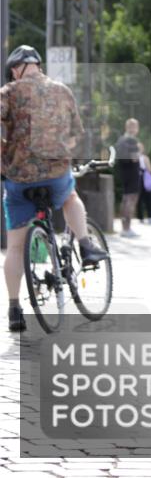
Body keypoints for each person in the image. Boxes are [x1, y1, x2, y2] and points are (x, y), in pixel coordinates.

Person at [1, 45, 108, 331]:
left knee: (14, 247)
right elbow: (77, 133)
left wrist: (4, 154)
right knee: (71, 197)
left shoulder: (9, 92)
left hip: (18, 179)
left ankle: (14, 309)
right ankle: (86, 246)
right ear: (38, 64)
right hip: (55, 173)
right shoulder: (62, 90)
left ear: (16, 69)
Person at [114, 118, 143, 237]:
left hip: (124, 172)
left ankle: (124, 227)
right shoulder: (132, 141)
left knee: (126, 199)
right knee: (131, 199)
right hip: (132, 173)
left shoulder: (121, 140)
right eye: (136, 127)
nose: (136, 129)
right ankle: (127, 228)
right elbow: (135, 158)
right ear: (132, 128)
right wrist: (141, 149)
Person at [136, 142, 151, 225]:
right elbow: (150, 170)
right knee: (147, 198)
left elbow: (150, 169)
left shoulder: (141, 157)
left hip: (140, 179)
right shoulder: (143, 158)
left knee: (141, 199)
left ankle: (143, 217)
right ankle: (148, 217)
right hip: (142, 179)